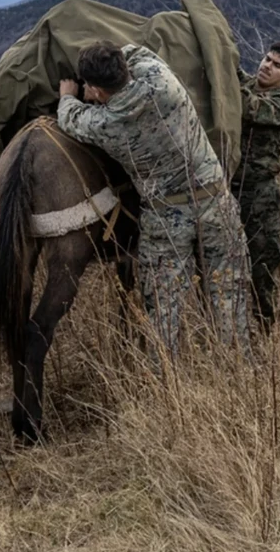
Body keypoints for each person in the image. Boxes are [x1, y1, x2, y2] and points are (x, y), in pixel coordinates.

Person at [56, 40, 251, 358]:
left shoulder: (106, 124)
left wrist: (68, 95)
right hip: (216, 201)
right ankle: (237, 368)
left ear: (96, 90)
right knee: (228, 291)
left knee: (162, 306)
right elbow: (138, 51)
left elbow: (69, 118)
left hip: (166, 218)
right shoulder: (161, 80)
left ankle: (165, 383)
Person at [181, 0, 280, 329]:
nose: (267, 66)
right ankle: (223, 326)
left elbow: (243, 107)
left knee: (261, 264)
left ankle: (264, 327)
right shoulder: (247, 84)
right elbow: (223, 62)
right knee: (215, 259)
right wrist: (200, 10)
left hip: (258, 194)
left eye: (277, 65)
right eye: (266, 59)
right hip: (226, 187)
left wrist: (226, 79)